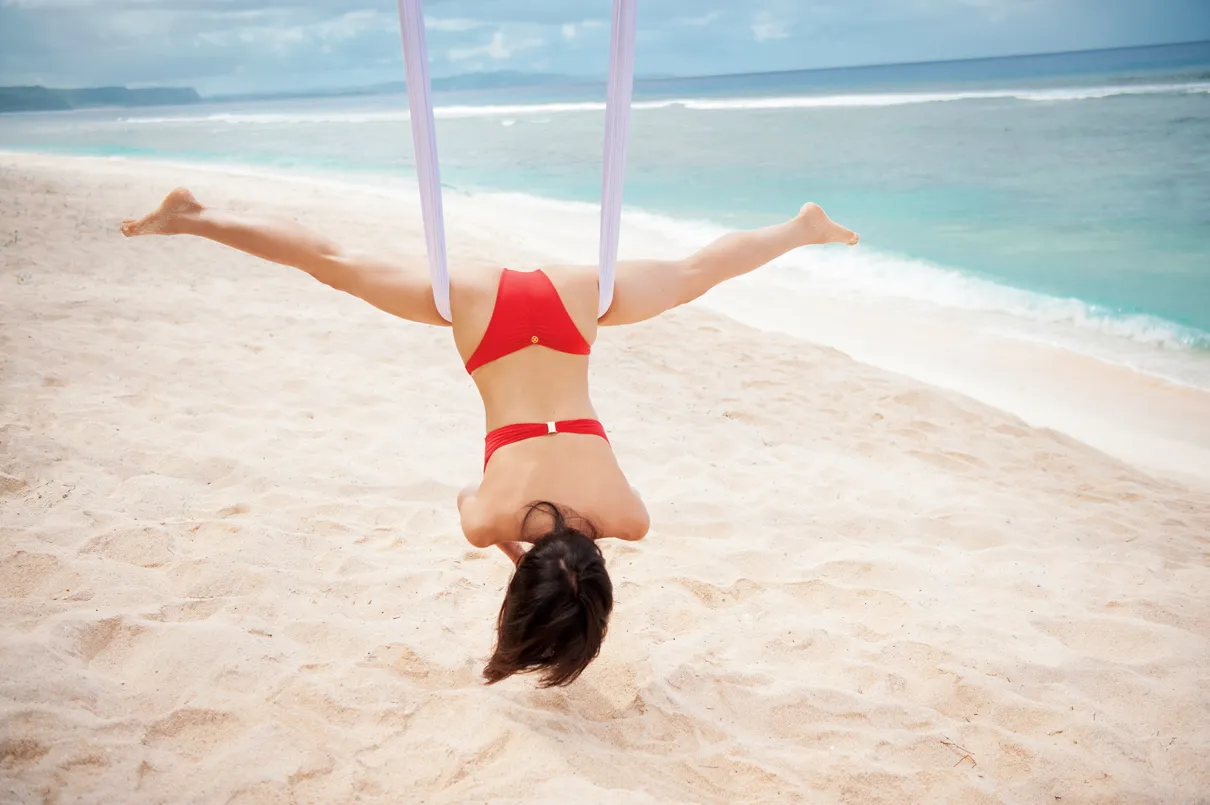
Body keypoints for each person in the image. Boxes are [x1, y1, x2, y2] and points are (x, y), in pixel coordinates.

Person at [121, 188, 858, 686]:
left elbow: (594, 527)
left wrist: (561, 541)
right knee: (334, 265)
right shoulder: (488, 527)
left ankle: (801, 228)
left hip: (573, 310)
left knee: (696, 272)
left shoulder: (629, 521)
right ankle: (194, 217)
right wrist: (516, 542)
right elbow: (471, 497)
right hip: (485, 324)